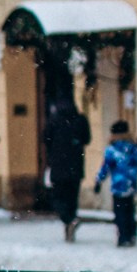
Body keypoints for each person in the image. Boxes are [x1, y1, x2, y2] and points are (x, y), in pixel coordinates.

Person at [95, 120, 137, 248]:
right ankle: (131, 234)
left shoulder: (111, 150)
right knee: (129, 210)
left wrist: (99, 180)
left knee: (119, 212)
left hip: (117, 185)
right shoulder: (132, 148)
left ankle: (122, 236)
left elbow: (105, 167)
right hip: (131, 184)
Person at [43, 101, 92, 242]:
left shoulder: (54, 121)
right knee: (72, 197)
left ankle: (68, 220)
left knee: (58, 197)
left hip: (58, 166)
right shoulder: (80, 120)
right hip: (76, 166)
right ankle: (71, 222)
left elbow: (46, 138)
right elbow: (87, 139)